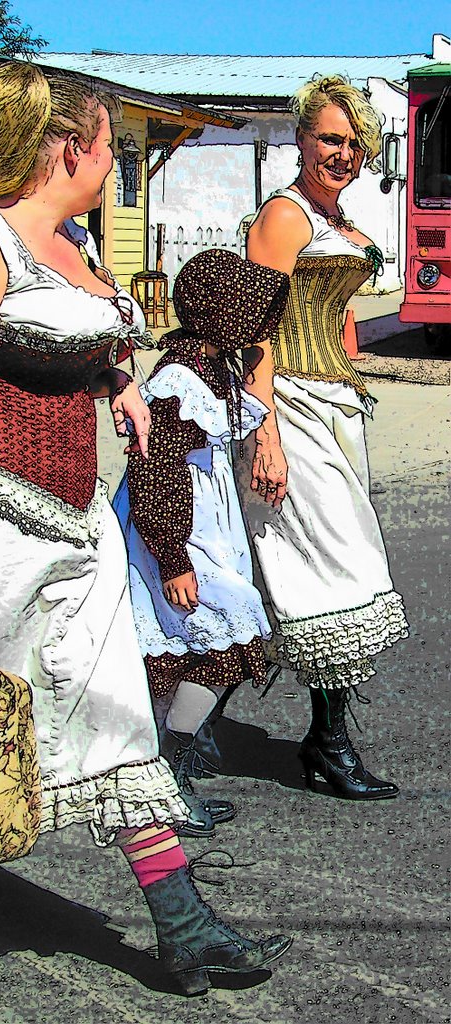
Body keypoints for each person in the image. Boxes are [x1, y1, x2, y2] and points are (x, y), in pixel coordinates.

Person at [0, 63, 292, 1003]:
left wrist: (119, 384)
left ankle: (185, 929)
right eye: (107, 147)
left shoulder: (73, 239)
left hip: (77, 523)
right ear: (70, 148)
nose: (112, 167)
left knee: (120, 724)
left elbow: (90, 340)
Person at [242, 74, 409, 799]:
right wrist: (265, 435)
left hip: (337, 403)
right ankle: (324, 744)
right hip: (291, 402)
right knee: (324, 566)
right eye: (330, 139)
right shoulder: (284, 218)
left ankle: (322, 737)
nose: (342, 153)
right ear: (301, 140)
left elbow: (337, 314)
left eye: (353, 143)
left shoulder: (335, 220)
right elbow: (256, 330)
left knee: (321, 566)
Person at [115, 248, 289, 837]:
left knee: (200, 643)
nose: (259, 323)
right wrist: (172, 555)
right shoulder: (178, 380)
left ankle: (167, 772)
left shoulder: (214, 365)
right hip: (178, 527)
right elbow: (154, 467)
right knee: (221, 629)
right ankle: (168, 770)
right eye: (248, 311)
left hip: (208, 520)